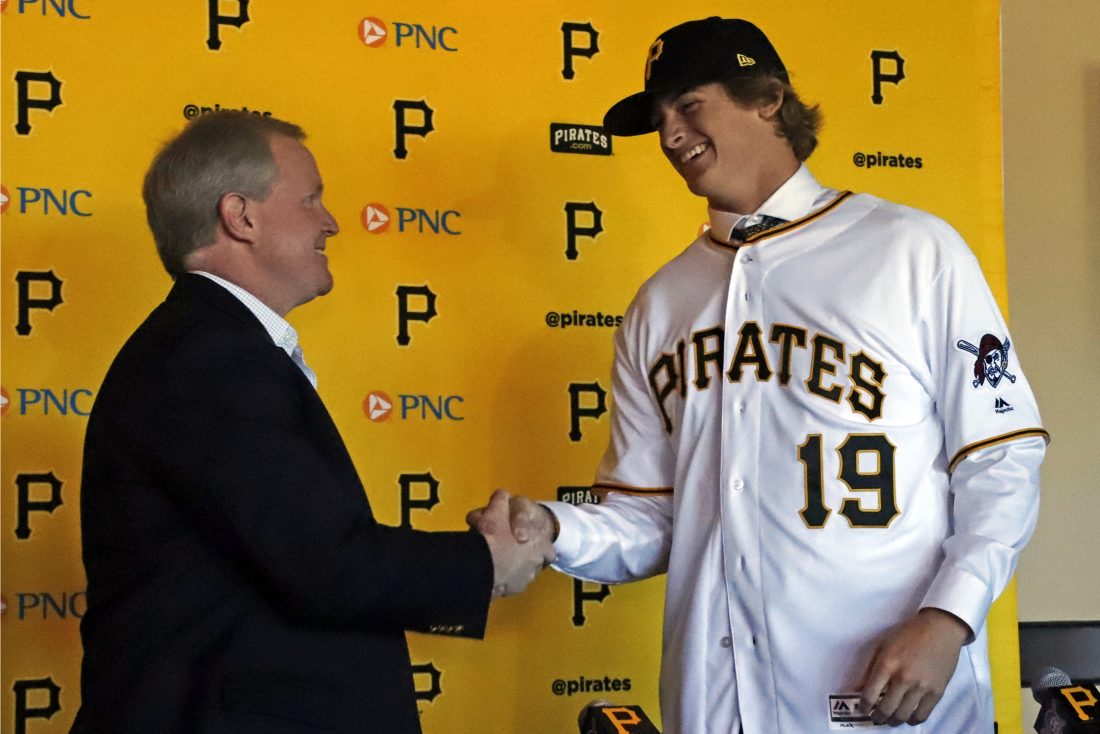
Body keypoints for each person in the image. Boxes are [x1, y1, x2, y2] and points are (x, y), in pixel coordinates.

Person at [473, 17, 1047, 733]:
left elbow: (1001, 459)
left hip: (888, 697)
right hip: (717, 703)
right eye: (659, 118)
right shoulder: (661, 304)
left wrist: (949, 616)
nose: (670, 135)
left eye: (690, 105)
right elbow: (653, 519)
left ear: (769, 99)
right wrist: (555, 530)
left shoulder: (912, 250)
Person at [73, 111, 552, 733]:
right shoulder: (209, 356)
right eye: (310, 200)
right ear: (240, 217)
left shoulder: (208, 346)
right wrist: (486, 563)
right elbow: (326, 563)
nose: (330, 222)